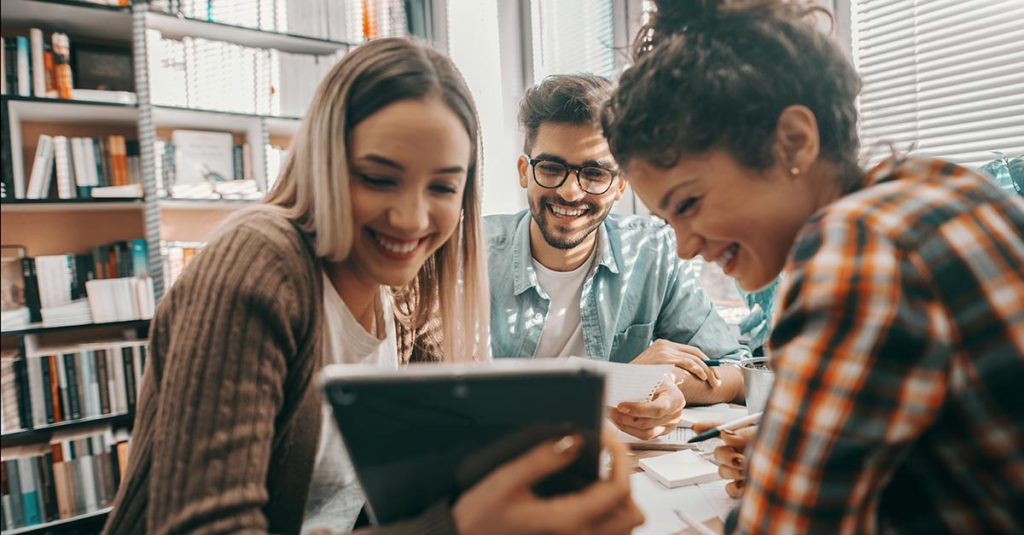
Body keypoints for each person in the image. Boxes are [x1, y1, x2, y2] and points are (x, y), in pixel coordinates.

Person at [103, 38, 643, 535]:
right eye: (379, 178)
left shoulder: (408, 289)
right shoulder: (260, 262)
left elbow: (429, 479)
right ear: (325, 165)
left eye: (442, 186)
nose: (411, 219)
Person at [602, 0, 1024, 533]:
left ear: (793, 143)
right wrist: (797, 451)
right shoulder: (945, 187)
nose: (684, 247)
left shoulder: (858, 247)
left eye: (688, 204)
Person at [487, 74, 750, 440]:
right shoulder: (473, 256)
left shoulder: (653, 250)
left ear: (620, 184)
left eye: (594, 173)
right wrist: (617, 384)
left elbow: (735, 371)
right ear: (523, 172)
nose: (570, 191)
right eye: (550, 168)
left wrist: (668, 385)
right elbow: (458, 400)